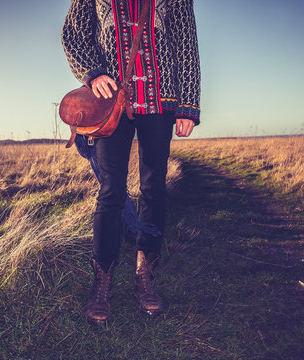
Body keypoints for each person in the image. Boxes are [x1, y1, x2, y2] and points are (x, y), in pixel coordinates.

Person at [61, 0, 201, 325]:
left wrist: (188, 105)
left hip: (162, 100)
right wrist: (92, 74)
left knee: (154, 188)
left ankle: (144, 275)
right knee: (111, 191)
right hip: (112, 102)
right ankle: (102, 282)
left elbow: (186, 45)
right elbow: (73, 35)